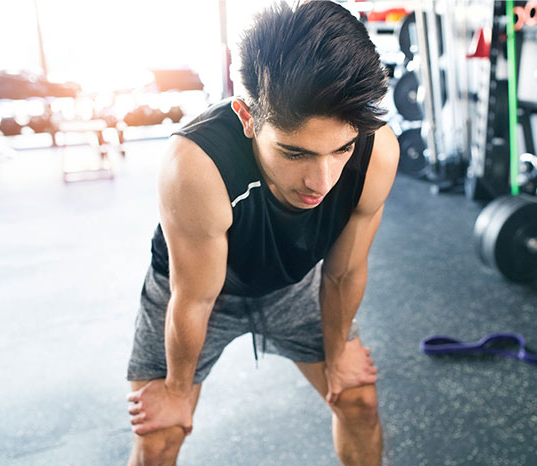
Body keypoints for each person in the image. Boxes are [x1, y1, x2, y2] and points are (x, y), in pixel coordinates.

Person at [125, 1, 398, 465]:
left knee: (357, 398)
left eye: (341, 150)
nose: (322, 181)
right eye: (295, 154)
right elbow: (194, 299)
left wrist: (338, 354)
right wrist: (174, 389)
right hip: (197, 293)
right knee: (160, 436)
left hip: (293, 285)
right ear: (247, 116)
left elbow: (344, 272)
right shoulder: (195, 165)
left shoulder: (377, 154)